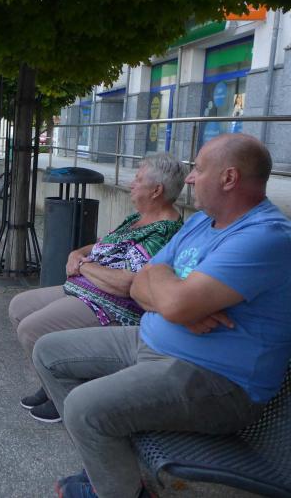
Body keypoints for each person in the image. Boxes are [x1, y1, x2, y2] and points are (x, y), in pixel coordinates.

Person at [33, 133, 291, 498]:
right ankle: (109, 470)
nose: (190, 178)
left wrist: (172, 298)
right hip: (152, 340)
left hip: (216, 380)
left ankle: (123, 492)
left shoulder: (264, 236)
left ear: (229, 178)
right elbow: (140, 282)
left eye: (199, 169)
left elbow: (165, 294)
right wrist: (175, 302)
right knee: (48, 352)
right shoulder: (201, 222)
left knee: (84, 408)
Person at [9, 153, 186, 423]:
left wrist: (83, 265)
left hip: (111, 305)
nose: (131, 184)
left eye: (138, 180)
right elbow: (102, 245)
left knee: (31, 329)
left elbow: (127, 284)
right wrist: (78, 252)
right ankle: (51, 379)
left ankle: (65, 400)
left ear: (156, 190)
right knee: (18, 307)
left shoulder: (163, 232)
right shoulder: (138, 218)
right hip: (86, 288)